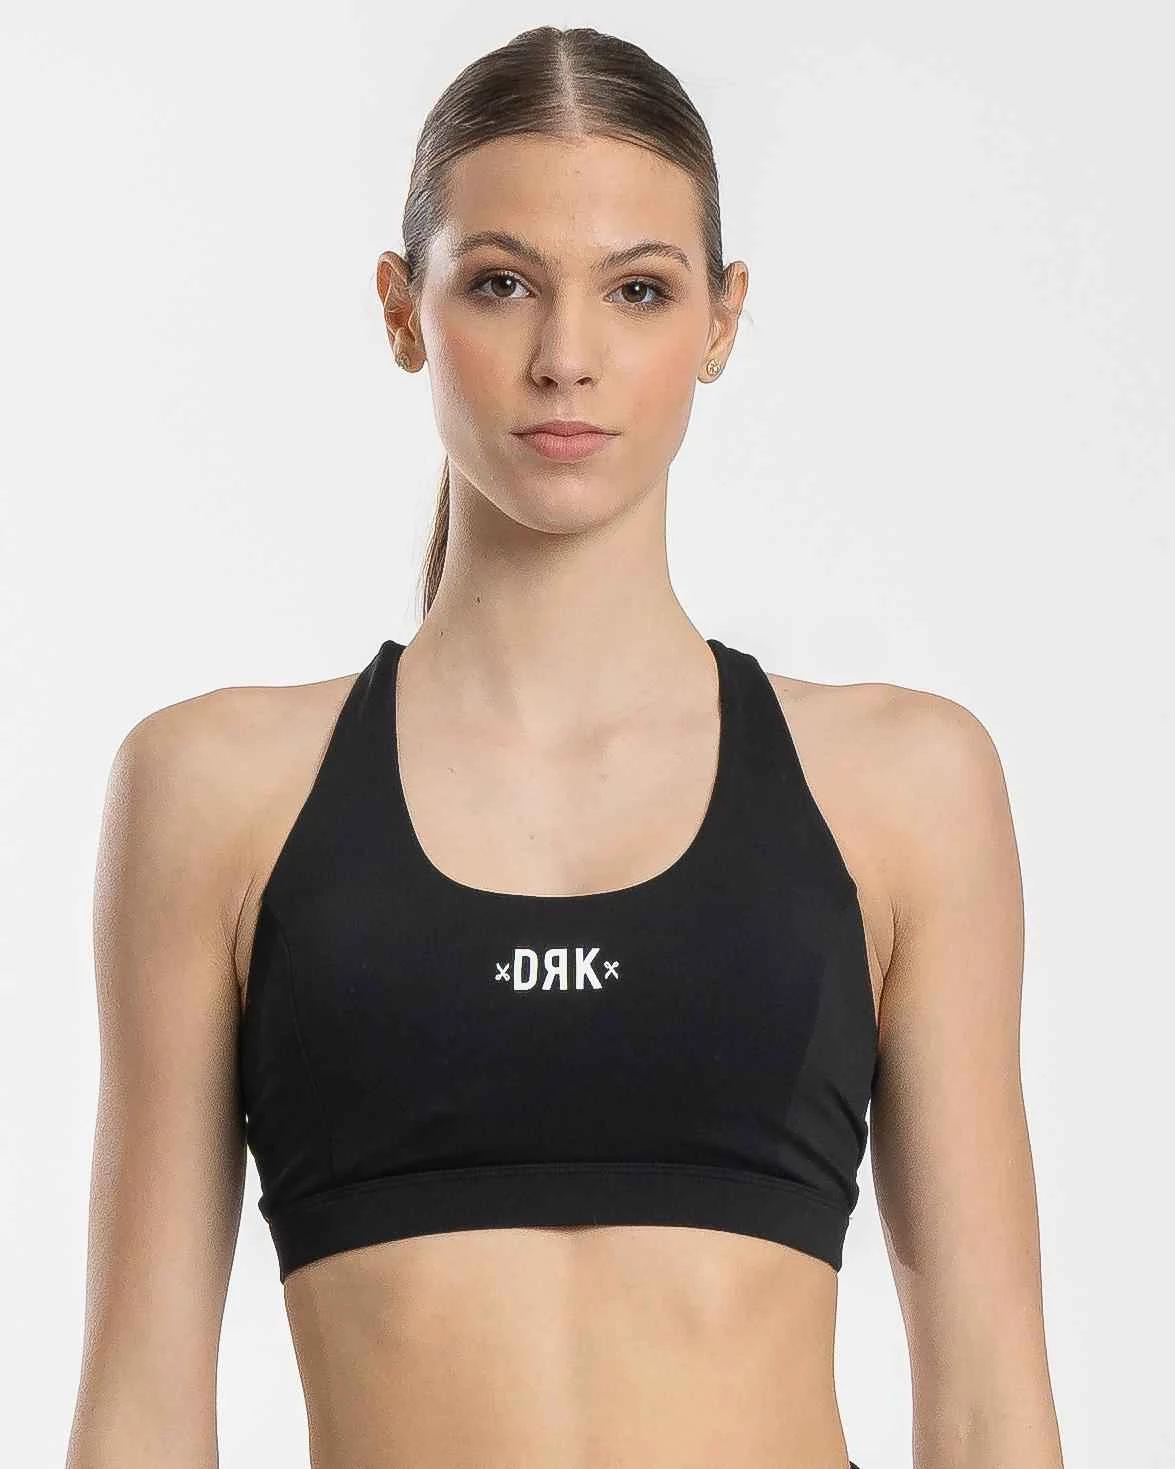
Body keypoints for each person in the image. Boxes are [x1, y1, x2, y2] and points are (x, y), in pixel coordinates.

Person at [65, 25, 1064, 1469]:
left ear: (720, 321)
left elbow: (986, 1404)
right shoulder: (217, 792)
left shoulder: (902, 788)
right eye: (501, 283)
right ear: (404, 310)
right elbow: (142, 1409)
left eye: (637, 290)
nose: (566, 359)